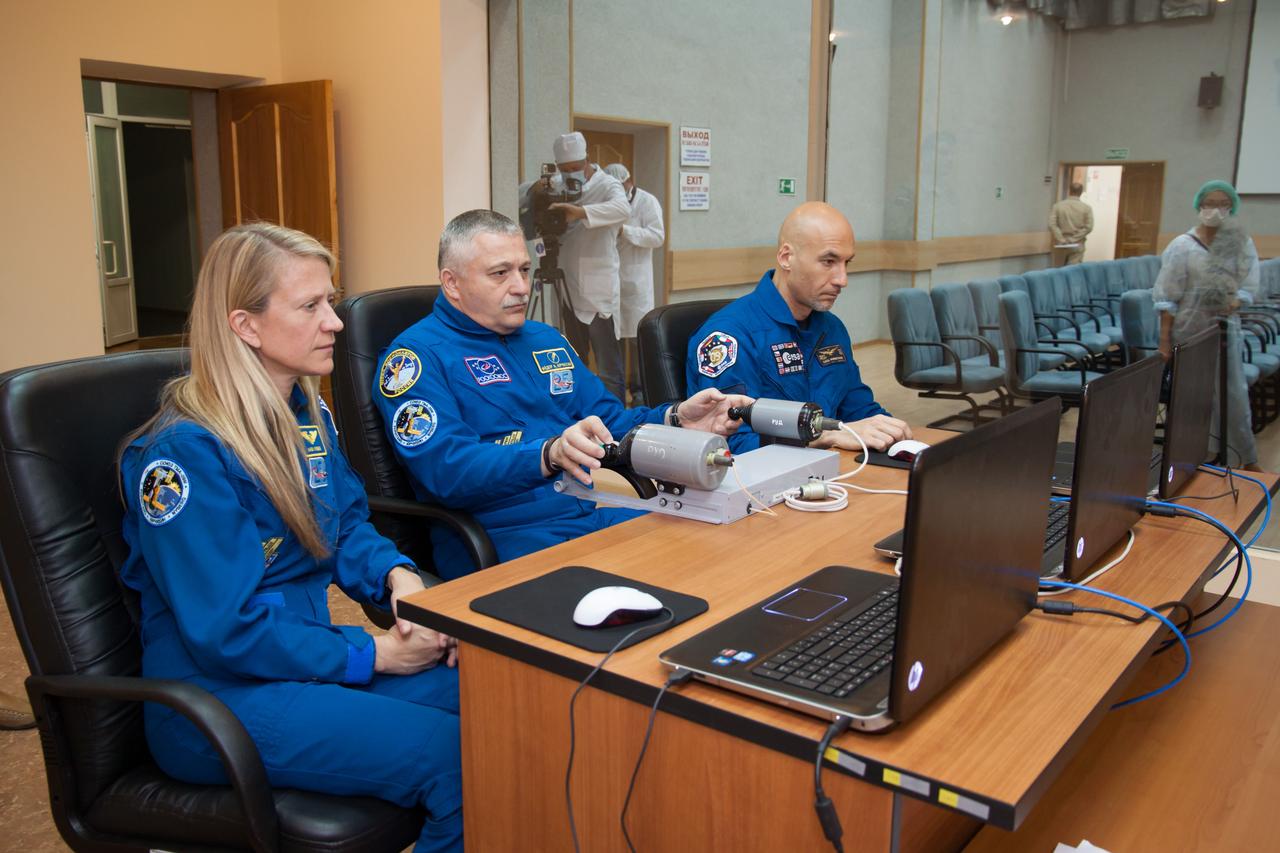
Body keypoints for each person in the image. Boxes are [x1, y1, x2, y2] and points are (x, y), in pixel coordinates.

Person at [119, 224, 462, 852]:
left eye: (330, 300)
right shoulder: (183, 454)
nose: (335, 322)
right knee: (453, 759)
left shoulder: (305, 415)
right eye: (310, 306)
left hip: (300, 663)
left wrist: (399, 579)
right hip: (215, 700)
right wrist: (374, 654)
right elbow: (228, 630)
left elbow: (345, 526)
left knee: (498, 697)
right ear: (245, 326)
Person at [373, 210, 750, 577]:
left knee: (715, 547)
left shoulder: (545, 339)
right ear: (452, 283)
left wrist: (676, 419)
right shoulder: (414, 360)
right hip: (499, 536)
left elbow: (610, 423)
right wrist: (547, 454)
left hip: (585, 513)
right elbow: (447, 470)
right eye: (500, 273)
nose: (521, 287)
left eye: (524, 270)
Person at [685, 202, 910, 454]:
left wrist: (896, 438)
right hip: (759, 476)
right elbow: (730, 444)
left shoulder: (831, 328)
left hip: (828, 469)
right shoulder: (731, 335)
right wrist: (822, 437)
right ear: (786, 258)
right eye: (828, 261)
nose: (842, 279)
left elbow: (859, 410)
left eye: (846, 263)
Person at [1153, 179, 1261, 471]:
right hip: (1189, 332)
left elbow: (1250, 284)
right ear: (1199, 205)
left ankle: (1244, 458)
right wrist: (1164, 342)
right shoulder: (1182, 246)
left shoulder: (1240, 243)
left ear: (1232, 208)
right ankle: (1193, 457)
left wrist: (1235, 302)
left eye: (1223, 204)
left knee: (1232, 395)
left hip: (1225, 331)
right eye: (1210, 203)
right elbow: (1166, 297)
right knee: (1190, 397)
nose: (1215, 210)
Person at [548, 131, 631, 401]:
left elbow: (623, 209)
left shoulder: (607, 184)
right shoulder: (555, 185)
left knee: (607, 363)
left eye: (575, 167)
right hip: (566, 282)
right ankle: (580, 411)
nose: (570, 174)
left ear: (586, 161)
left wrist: (580, 212)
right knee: (574, 359)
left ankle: (616, 415)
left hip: (598, 285)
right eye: (564, 169)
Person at [604, 162, 665, 405]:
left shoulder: (647, 201)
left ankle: (640, 393)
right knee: (613, 340)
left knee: (638, 340)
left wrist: (625, 231)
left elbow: (657, 236)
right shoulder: (608, 204)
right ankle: (617, 395)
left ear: (628, 181)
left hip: (637, 285)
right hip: (611, 283)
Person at [1049, 182, 1093, 266]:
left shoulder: (1057, 206)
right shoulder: (1086, 208)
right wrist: (1073, 239)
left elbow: (1052, 224)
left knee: (1058, 271)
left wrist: (1061, 239)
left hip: (1060, 245)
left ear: (1069, 191)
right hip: (1077, 244)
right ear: (1081, 192)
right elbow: (1089, 227)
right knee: (1073, 271)